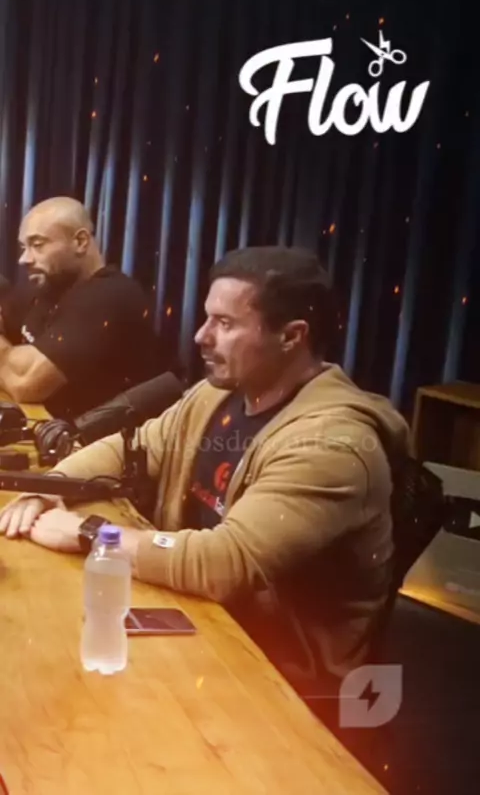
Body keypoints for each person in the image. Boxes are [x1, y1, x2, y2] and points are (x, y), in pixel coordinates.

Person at [0, 245, 410, 698]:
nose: (200, 336)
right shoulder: (219, 394)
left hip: (280, 677)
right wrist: (50, 487)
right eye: (207, 318)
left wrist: (90, 533)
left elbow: (224, 562)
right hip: (205, 617)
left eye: (225, 324)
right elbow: (133, 446)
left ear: (292, 336)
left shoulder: (333, 446)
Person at [0, 197, 161, 419]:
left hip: (94, 437)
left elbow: (25, 381)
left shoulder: (111, 296)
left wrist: (14, 360)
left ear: (80, 242)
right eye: (23, 247)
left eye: (37, 245)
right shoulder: (48, 283)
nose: (24, 259)